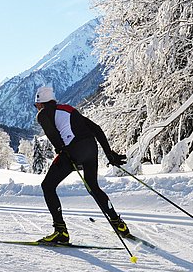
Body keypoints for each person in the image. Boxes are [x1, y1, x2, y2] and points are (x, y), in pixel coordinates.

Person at [34, 85, 129, 243]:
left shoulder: (43, 114)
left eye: (36, 105)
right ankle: (118, 224)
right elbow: (96, 129)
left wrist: (62, 150)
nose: (36, 108)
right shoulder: (67, 109)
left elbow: (52, 135)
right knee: (93, 187)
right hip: (91, 149)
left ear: (40, 103)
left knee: (48, 186)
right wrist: (109, 154)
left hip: (74, 149)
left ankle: (60, 232)